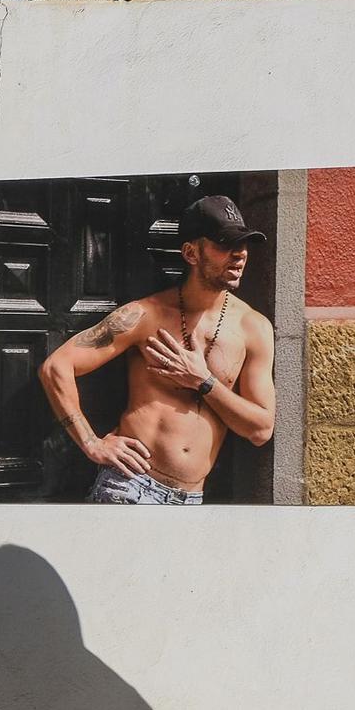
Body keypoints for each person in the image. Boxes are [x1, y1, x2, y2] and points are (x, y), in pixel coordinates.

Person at [39, 194, 277, 504]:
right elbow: (56, 367)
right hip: (129, 488)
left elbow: (260, 430)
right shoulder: (145, 315)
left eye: (243, 244)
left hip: (192, 501)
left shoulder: (253, 327)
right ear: (191, 253)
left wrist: (203, 382)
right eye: (224, 244)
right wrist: (91, 442)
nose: (239, 255)